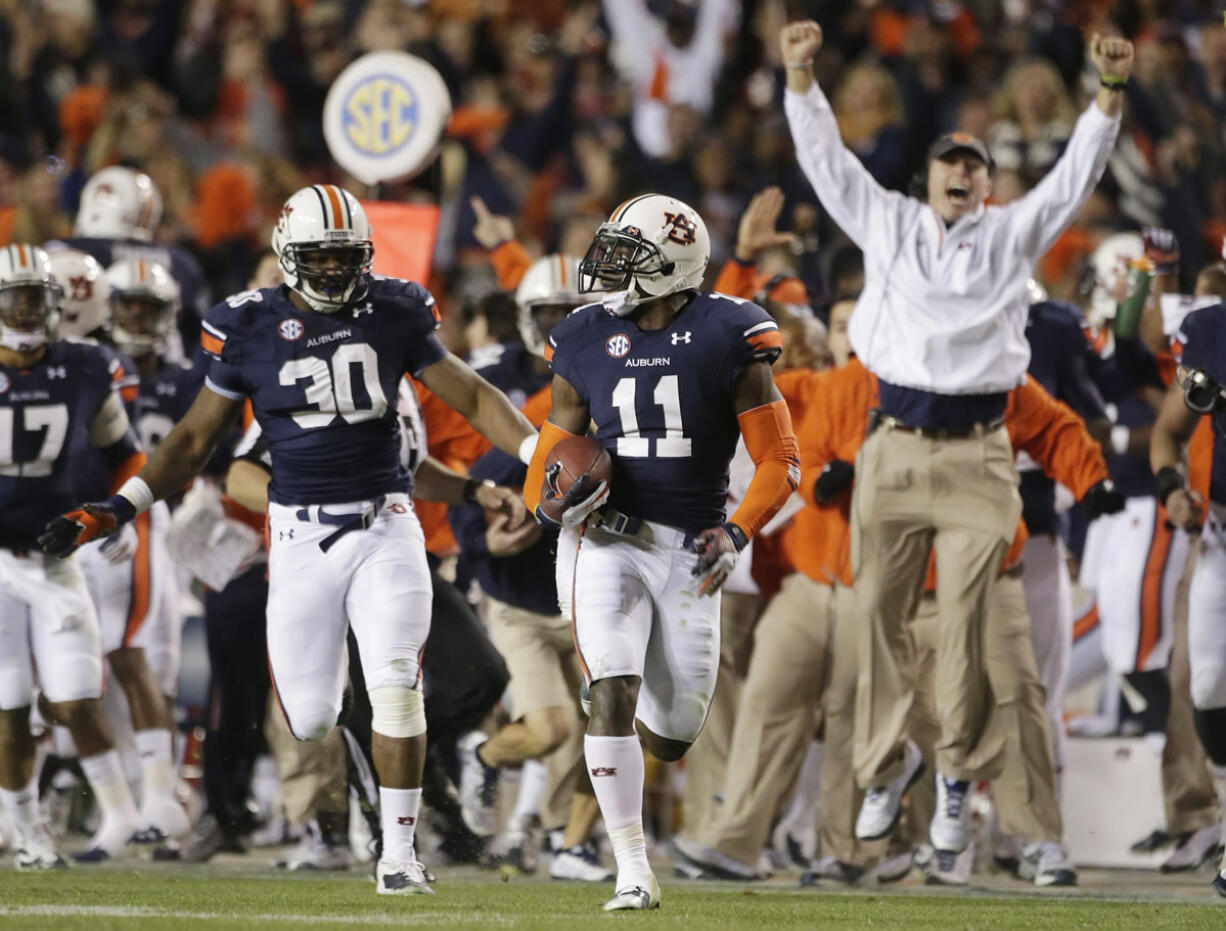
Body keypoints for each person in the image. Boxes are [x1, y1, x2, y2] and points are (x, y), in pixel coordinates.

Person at [39, 184, 538, 896]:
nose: (334, 271)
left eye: (345, 257)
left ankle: (398, 852)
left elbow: (477, 396)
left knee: (397, 685)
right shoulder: (246, 325)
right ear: (287, 256)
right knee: (310, 716)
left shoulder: (395, 311)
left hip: (385, 524)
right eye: (320, 257)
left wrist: (543, 453)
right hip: (299, 537)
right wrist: (119, 506)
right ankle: (362, 805)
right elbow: (193, 440)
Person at [779, 18, 1130, 854]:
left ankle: (955, 774)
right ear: (930, 177)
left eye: (974, 165)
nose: (962, 174)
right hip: (892, 444)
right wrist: (801, 81)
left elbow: (1074, 179)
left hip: (980, 450)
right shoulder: (891, 222)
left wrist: (1107, 98)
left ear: (986, 183)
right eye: (950, 163)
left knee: (970, 624)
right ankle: (885, 764)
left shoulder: (1012, 233)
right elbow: (829, 165)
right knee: (876, 619)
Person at [523, 193, 800, 910]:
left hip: (690, 547)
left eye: (629, 254)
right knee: (609, 684)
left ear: (672, 266)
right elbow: (554, 447)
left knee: (674, 734)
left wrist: (736, 530)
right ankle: (630, 868)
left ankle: (628, 780)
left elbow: (779, 461)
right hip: (606, 538)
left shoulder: (729, 333)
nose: (609, 266)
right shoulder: (583, 336)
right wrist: (545, 499)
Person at [0, 244, 145, 867]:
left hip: (55, 556)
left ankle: (119, 816)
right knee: (8, 707)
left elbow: (126, 453)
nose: (29, 309)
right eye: (16, 297)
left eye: (39, 297)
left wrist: (121, 509)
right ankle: (28, 830)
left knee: (75, 699)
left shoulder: (86, 366)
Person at [1150, 296, 1226, 898]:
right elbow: (1170, 430)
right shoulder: (1211, 331)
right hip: (1221, 537)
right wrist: (1172, 487)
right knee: (1204, 684)